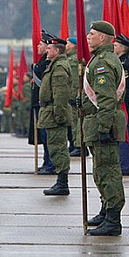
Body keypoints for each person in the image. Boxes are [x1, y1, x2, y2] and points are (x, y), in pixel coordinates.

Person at [81, 21, 126, 236]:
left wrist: (104, 126)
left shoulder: (103, 63)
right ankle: (106, 209)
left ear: (102, 38)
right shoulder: (101, 59)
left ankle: (113, 219)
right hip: (99, 120)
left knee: (108, 172)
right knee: (101, 171)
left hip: (104, 122)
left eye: (92, 34)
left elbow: (106, 98)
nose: (88, 37)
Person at [38, 33, 73, 196]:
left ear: (57, 51)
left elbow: (60, 94)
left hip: (54, 113)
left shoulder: (59, 67)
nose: (47, 50)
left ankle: (62, 182)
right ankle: (60, 181)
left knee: (58, 149)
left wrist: (58, 115)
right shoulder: (54, 64)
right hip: (50, 112)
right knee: (55, 148)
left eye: (50, 48)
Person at [30, 36, 55, 174]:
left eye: (40, 45)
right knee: (45, 137)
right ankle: (47, 162)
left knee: (49, 138)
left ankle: (51, 164)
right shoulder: (42, 61)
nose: (37, 47)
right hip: (41, 104)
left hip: (47, 105)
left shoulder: (48, 63)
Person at [114, 33, 129, 176]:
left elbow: (124, 85)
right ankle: (128, 164)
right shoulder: (123, 60)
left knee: (125, 135)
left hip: (126, 103)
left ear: (123, 48)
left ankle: (126, 166)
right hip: (126, 103)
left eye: (116, 45)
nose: (113, 46)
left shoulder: (126, 63)